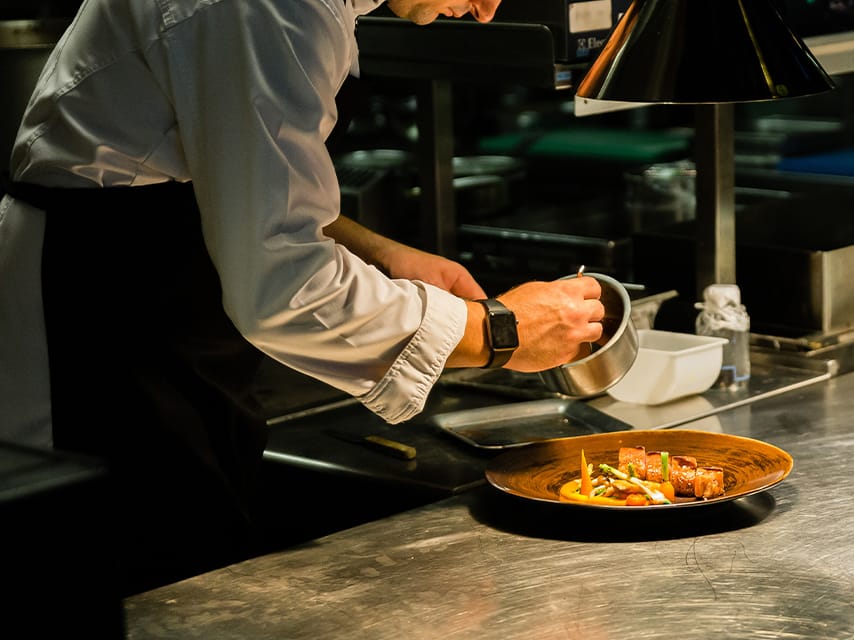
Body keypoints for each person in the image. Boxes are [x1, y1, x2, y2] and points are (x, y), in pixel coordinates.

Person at [0, 0, 604, 595]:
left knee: (198, 554)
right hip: (97, 321)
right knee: (136, 578)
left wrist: (376, 253)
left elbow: (231, 177)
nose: (487, 11)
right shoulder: (270, 6)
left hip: (160, 290)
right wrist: (498, 332)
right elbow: (287, 285)